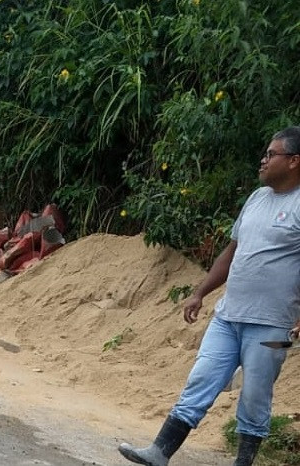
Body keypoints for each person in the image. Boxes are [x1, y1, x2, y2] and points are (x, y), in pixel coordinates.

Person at [118, 126, 300, 466]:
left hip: (272, 324)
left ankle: (242, 462)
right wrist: (200, 292)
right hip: (228, 315)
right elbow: (232, 252)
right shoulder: (257, 199)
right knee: (201, 379)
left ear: (293, 161)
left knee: (255, 397)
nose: (263, 160)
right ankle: (159, 452)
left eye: (271, 154)